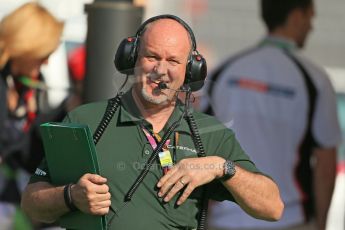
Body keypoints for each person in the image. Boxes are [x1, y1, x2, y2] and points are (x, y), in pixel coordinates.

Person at [21, 15, 283, 229]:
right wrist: (71, 196)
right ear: (132, 58)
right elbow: (32, 203)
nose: (161, 70)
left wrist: (221, 167)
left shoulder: (210, 134)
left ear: (190, 71)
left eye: (173, 61)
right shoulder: (84, 120)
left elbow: (273, 208)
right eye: (152, 57)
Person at [201, 0, 341, 230]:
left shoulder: (226, 70)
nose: (312, 27)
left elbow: (196, 140)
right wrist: (321, 224)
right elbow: (326, 166)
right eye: (310, 17)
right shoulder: (315, 79)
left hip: (223, 221)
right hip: (289, 220)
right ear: (296, 16)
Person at [0, 2, 64, 229]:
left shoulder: (34, 85)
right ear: (25, 47)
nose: (46, 62)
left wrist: (67, 109)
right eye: (43, 54)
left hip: (14, 191)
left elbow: (32, 147)